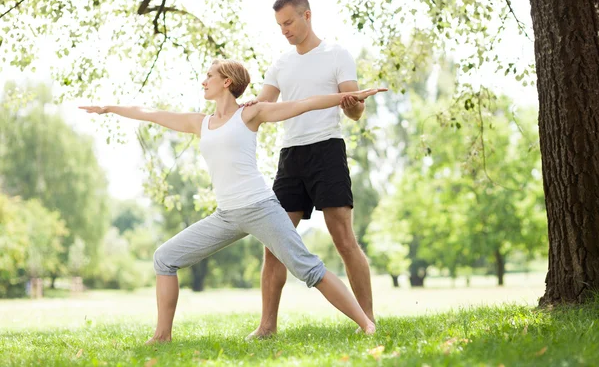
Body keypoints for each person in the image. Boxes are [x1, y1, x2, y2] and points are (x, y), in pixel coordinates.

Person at [79, 59, 385, 344]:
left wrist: (353, 95)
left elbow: (303, 104)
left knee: (308, 269)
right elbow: (151, 114)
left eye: (209, 76)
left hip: (260, 208)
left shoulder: (250, 113)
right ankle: (162, 336)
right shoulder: (201, 123)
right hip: (226, 215)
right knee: (165, 258)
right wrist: (108, 108)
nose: (203, 81)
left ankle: (366, 323)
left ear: (227, 82)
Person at [245, 0, 374, 339]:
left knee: (344, 239)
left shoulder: (337, 54)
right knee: (275, 244)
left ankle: (369, 321)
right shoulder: (281, 63)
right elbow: (262, 106)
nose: (284, 30)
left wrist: (353, 106)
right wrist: (237, 108)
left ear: (307, 15)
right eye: (280, 25)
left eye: (288, 22)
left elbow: (355, 109)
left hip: (327, 151)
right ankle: (267, 327)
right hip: (291, 157)